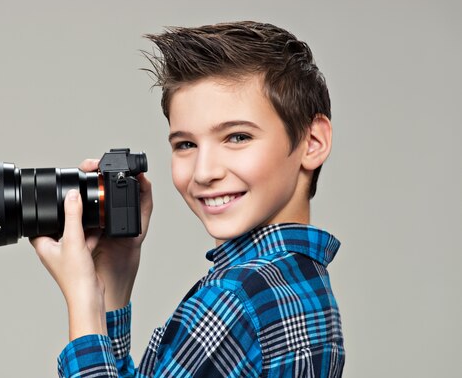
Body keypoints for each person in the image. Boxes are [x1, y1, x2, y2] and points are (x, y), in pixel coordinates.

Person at [30, 21, 345, 377]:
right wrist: (113, 284)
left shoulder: (232, 299)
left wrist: (84, 302)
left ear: (312, 142)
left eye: (237, 137)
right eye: (186, 145)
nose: (204, 172)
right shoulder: (304, 281)